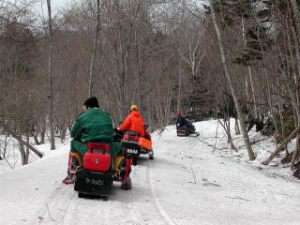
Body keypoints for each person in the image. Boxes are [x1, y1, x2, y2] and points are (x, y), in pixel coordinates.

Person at [63, 97, 121, 184]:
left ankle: (72, 172)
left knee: (73, 143)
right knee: (120, 146)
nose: (84, 110)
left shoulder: (82, 117)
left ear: (87, 107)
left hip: (88, 149)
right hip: (107, 150)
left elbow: (73, 134)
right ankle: (119, 173)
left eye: (84, 108)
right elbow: (111, 132)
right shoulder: (107, 116)